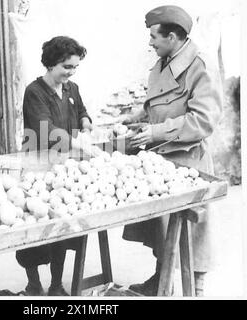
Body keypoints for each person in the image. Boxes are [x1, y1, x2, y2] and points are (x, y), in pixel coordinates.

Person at [122, 5, 223, 296]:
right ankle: (160, 279)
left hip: (188, 159)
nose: (150, 42)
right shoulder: (165, 61)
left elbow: (202, 121)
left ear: (173, 37)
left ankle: (197, 288)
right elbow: (161, 101)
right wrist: (140, 117)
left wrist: (155, 131)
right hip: (163, 159)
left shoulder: (200, 68)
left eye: (154, 36)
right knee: (163, 229)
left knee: (193, 228)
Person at [18, 36, 101, 296]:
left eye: (75, 67)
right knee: (32, 227)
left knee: (61, 228)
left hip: (62, 167)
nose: (71, 72)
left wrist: (86, 123)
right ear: (51, 64)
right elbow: (46, 130)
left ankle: (56, 284)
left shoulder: (71, 88)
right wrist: (81, 146)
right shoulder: (34, 91)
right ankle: (33, 282)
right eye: (67, 67)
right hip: (38, 166)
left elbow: (81, 111)